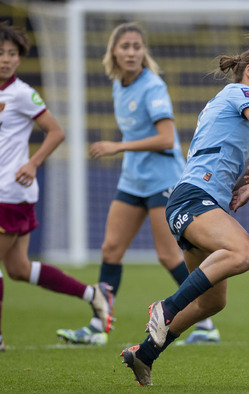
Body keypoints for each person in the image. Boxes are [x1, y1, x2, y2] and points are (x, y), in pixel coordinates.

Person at [120, 45, 249, 386]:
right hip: (194, 199)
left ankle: (145, 353)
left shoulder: (226, 104)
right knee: (245, 253)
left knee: (212, 302)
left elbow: (210, 156)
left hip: (195, 199)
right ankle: (166, 307)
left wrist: (243, 179)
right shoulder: (240, 92)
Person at [56, 22, 218, 346]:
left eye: (136, 46)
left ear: (143, 52)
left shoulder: (152, 86)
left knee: (168, 256)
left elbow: (165, 138)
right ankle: (98, 325)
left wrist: (117, 146)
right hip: (132, 180)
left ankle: (205, 321)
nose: (131, 52)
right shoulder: (120, 84)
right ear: (114, 51)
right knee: (111, 249)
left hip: (163, 181)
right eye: (125, 46)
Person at [0, 22, 113, 351]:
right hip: (7, 192)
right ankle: (93, 295)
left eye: (11, 54)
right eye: (0, 53)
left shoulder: (21, 93)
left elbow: (56, 131)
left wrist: (33, 163)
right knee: (19, 268)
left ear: (20, 59)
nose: (5, 59)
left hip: (11, 191)